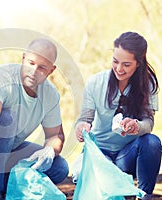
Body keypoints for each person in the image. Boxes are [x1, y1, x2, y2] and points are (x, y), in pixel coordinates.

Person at [0, 38, 69, 200]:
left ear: (51, 70)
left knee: (59, 167)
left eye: (42, 68)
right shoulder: (1, 77)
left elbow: (56, 136)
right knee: (6, 120)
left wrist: (49, 150)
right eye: (31, 63)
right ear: (23, 58)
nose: (34, 71)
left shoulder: (49, 94)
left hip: (7, 150)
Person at [74, 32, 161, 200]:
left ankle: (144, 196)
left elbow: (148, 123)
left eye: (127, 64)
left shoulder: (148, 85)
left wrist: (137, 125)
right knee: (80, 175)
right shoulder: (95, 83)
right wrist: (81, 127)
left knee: (152, 142)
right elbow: (85, 119)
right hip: (100, 153)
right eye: (115, 61)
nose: (119, 69)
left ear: (139, 63)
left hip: (126, 155)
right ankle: (117, 186)